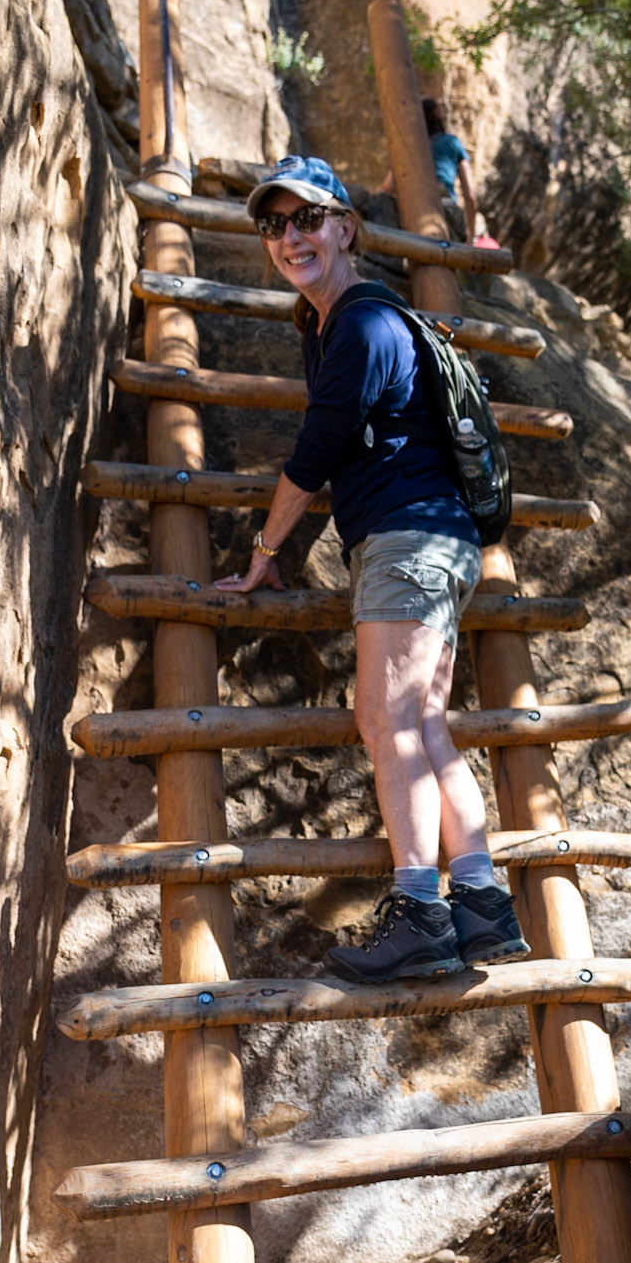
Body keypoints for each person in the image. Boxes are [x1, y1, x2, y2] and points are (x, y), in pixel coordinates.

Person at [214, 154, 528, 984]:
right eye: (274, 224)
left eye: (307, 218)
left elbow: (314, 456)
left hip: (407, 539)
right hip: (436, 540)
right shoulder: (338, 322)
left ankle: (420, 912)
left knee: (384, 720)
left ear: (345, 227)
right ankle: (482, 907)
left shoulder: (358, 324)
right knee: (422, 723)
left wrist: (260, 556)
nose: (290, 237)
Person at [377, 98, 478, 240]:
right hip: (446, 211)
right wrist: (471, 235)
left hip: (411, 211)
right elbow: (470, 195)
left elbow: (387, 187)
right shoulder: (452, 143)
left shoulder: (408, 147)